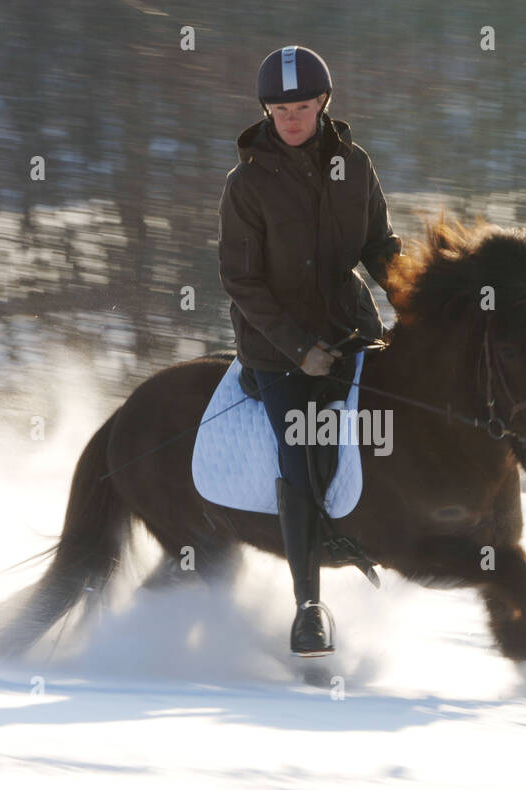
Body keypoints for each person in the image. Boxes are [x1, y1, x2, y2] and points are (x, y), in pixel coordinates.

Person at [217, 45, 402, 656]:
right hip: (276, 348)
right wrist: (299, 350)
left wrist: (415, 298)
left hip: (350, 325)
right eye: (279, 108)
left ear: (323, 103)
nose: (290, 118)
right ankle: (308, 608)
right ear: (265, 111)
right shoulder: (245, 186)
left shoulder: (355, 164)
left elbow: (379, 246)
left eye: (300, 106)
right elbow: (243, 283)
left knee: (396, 419)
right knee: (302, 443)